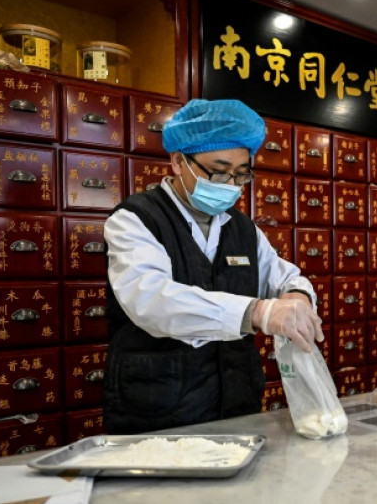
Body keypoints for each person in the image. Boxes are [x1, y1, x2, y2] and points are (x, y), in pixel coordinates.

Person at [103, 99, 323, 434]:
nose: (231, 184)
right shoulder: (136, 219)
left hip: (236, 401)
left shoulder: (242, 227)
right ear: (179, 162)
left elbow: (284, 276)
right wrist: (257, 312)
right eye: (219, 172)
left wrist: (297, 297)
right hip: (158, 409)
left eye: (241, 174)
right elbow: (151, 301)